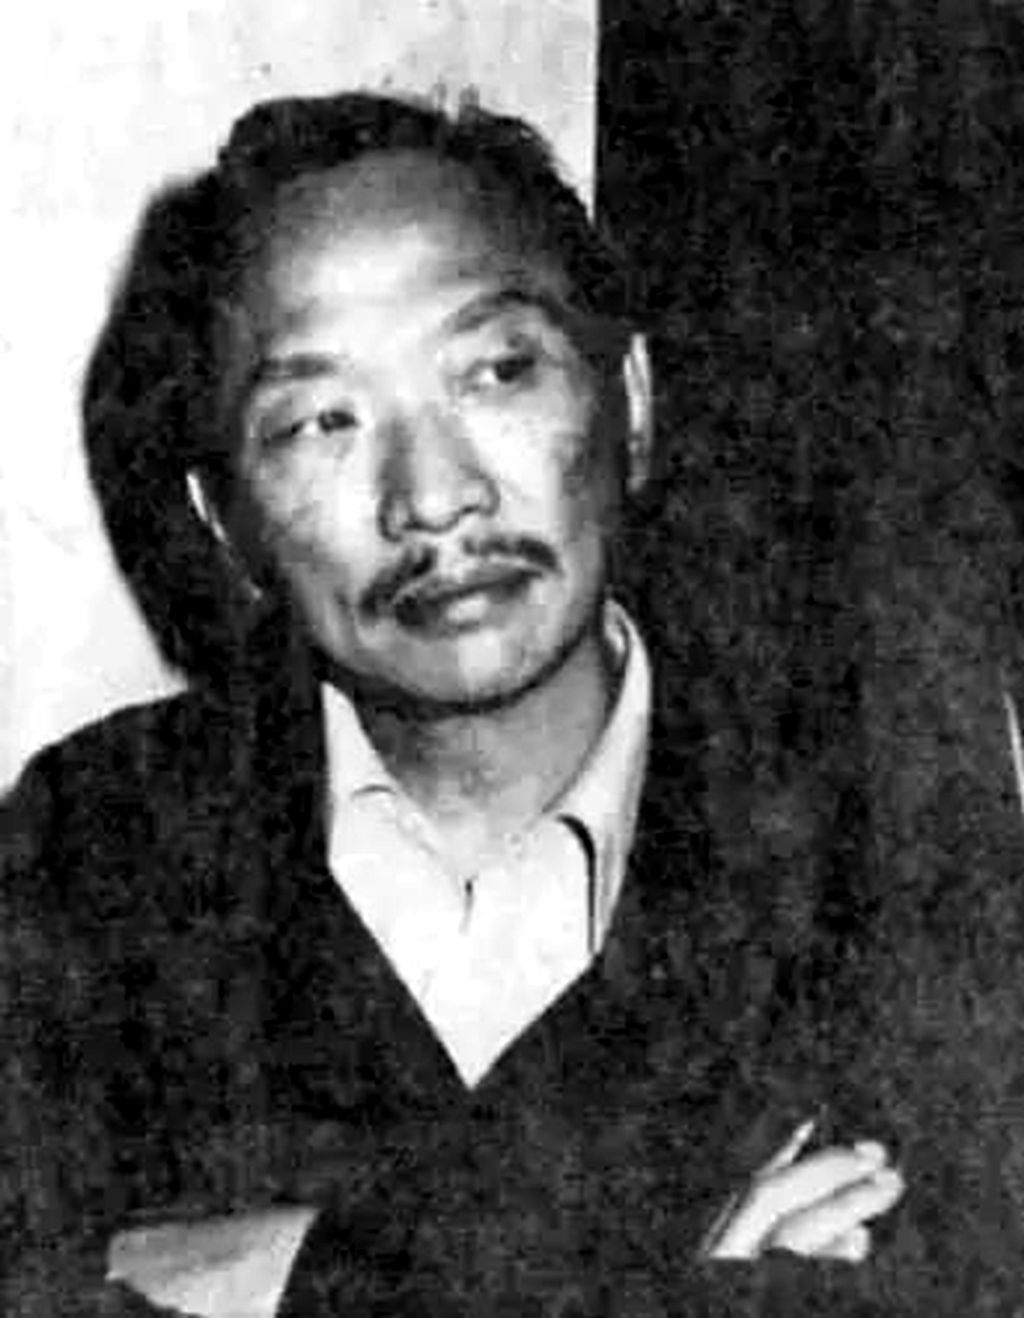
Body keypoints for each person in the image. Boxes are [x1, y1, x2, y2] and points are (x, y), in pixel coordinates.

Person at [0, 89, 916, 1318]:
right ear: (229, 531)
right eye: (320, 421)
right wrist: (681, 1281)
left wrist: (313, 1276)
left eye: (494, 370)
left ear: (632, 403)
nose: (432, 497)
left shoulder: (881, 826)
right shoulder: (100, 841)